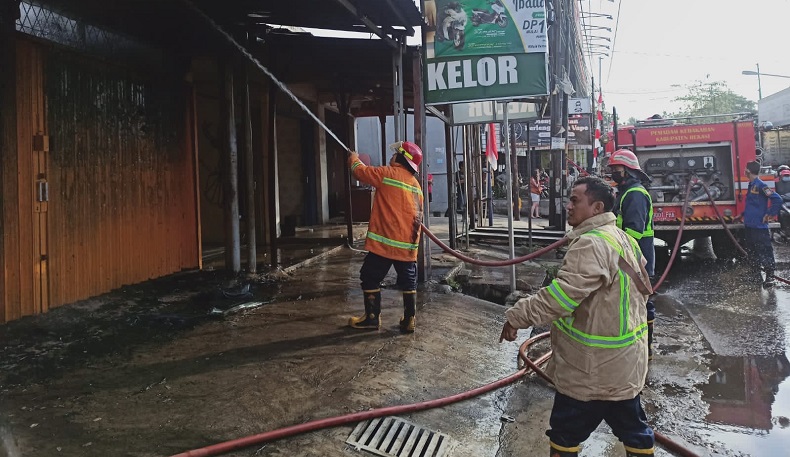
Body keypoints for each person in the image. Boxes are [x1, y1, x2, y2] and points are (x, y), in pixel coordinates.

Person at [500, 176, 654, 457]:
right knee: (635, 431)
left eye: (575, 201)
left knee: (565, 435)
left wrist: (517, 316)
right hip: (624, 365)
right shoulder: (621, 237)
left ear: (596, 208)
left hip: (591, 369)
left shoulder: (591, 244)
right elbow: (644, 286)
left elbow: (560, 299)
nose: (568, 206)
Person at [347, 141, 424, 333]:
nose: (392, 156)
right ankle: (409, 320)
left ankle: (372, 318)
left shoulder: (387, 174)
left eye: (395, 153)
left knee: (369, 276)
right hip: (408, 247)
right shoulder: (416, 185)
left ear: (401, 158)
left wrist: (353, 158)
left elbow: (360, 172)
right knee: (408, 281)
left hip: (386, 244)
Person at [608, 148, 656, 359]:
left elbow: (633, 232)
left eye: (616, 169)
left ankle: (646, 347)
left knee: (642, 302)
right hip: (633, 257)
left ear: (627, 171)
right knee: (633, 301)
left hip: (637, 258)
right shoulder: (628, 192)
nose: (613, 173)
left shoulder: (635, 194)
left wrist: (617, 256)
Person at [742, 161, 782, 288]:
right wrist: (741, 214)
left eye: (745, 168)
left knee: (764, 251)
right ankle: (755, 277)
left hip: (759, 227)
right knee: (752, 252)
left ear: (748, 170)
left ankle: (769, 277)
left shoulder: (761, 185)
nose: (744, 170)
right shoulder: (751, 185)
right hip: (750, 225)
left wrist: (770, 213)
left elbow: (777, 199)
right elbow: (753, 205)